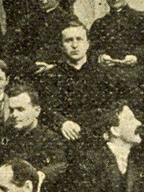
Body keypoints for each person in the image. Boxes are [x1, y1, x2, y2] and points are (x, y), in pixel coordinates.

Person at [38, 19, 125, 152]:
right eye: (68, 40)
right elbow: (45, 108)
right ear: (61, 46)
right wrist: (62, 123)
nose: (74, 45)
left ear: (88, 44)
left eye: (79, 39)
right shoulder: (50, 76)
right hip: (64, 141)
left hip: (97, 141)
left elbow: (114, 106)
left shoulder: (105, 74)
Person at [90, 0, 144, 109]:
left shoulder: (142, 19)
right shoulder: (99, 24)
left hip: (137, 78)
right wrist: (100, 56)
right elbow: (92, 49)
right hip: (108, 79)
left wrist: (136, 56)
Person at [7, 0, 75, 77]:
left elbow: (76, 51)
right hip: (30, 73)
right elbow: (12, 49)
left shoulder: (68, 21)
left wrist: (54, 67)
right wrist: (30, 65)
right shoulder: (28, 20)